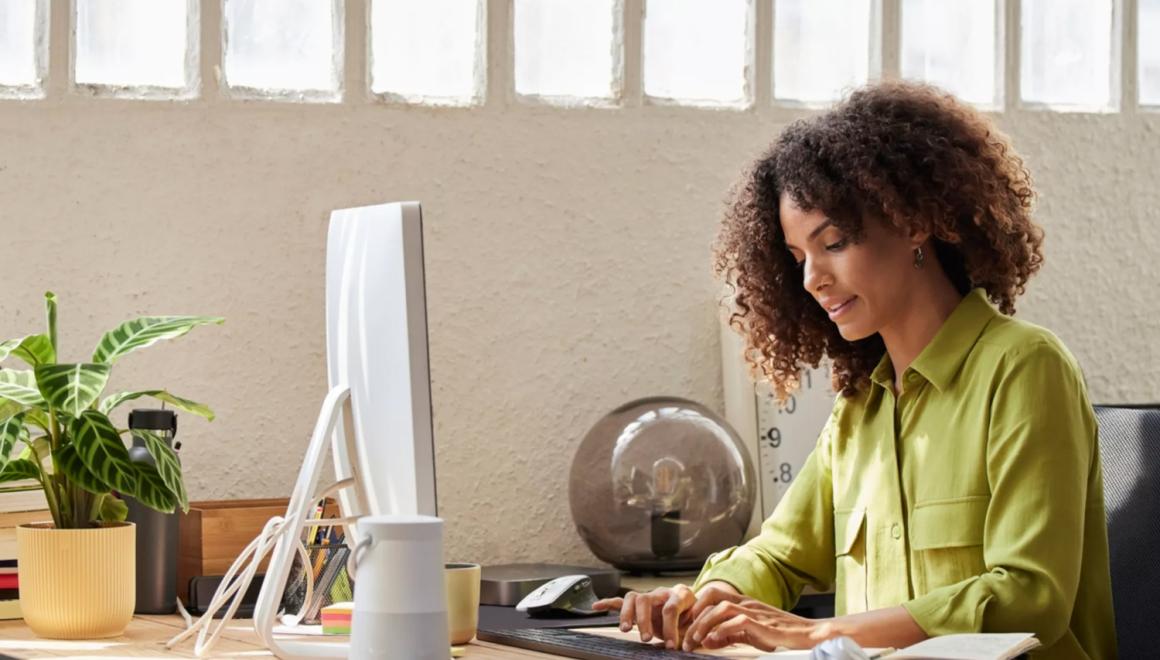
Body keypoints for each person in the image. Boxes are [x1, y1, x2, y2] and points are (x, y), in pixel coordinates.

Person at [593, 81, 1117, 659]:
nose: (811, 279)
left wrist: (822, 634)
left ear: (915, 220)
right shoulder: (860, 410)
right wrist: (707, 598)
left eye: (834, 242)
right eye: (798, 259)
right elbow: (781, 553)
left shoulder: (1024, 369)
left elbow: (1030, 596)